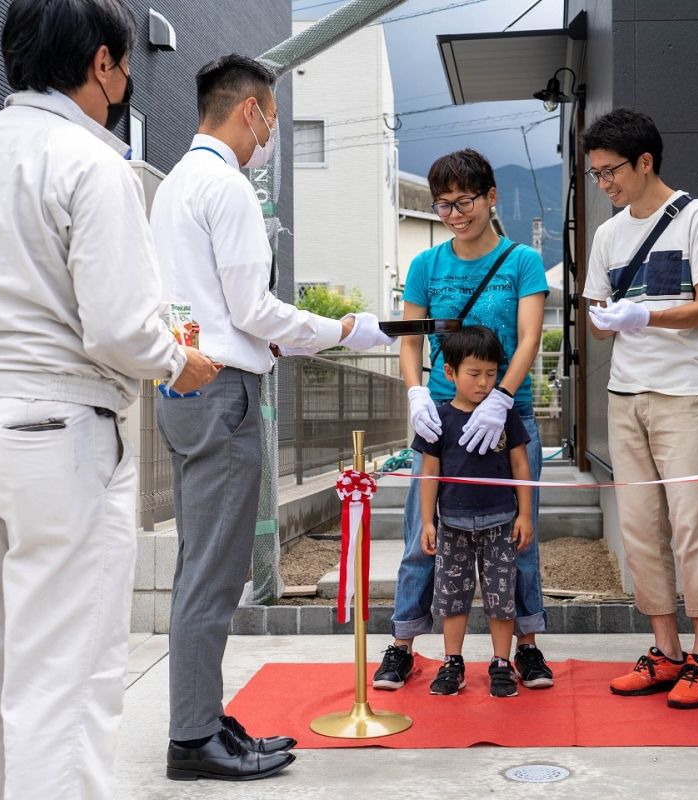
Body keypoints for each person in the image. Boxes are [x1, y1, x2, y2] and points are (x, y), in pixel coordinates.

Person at [0, 0, 220, 797]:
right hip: (55, 431)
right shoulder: (92, 163)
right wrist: (176, 364)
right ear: (103, 65)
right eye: (118, 68)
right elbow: (119, 328)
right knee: (65, 675)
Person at [149, 54, 391, 782]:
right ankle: (193, 738)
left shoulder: (173, 187)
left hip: (186, 390)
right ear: (251, 110)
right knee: (214, 579)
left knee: (201, 566)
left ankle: (202, 718)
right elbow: (256, 312)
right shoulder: (226, 187)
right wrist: (345, 329)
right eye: (274, 118)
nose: (271, 135)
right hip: (224, 395)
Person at [373, 149, 553, 692]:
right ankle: (403, 644)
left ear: (490, 197)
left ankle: (527, 649)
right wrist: (415, 394)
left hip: (509, 418)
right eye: (444, 204)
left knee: (519, 538)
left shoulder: (522, 261)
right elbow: (409, 340)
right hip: (442, 422)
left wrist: (501, 397)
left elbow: (528, 338)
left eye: (465, 201)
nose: (454, 213)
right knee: (421, 536)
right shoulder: (426, 266)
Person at [581, 108, 698, 709]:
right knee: (640, 528)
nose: (604, 184)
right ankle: (666, 652)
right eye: (595, 176)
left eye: (610, 171)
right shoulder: (607, 234)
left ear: (646, 161)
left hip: (686, 392)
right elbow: (597, 322)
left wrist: (645, 314)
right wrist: (609, 318)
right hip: (626, 393)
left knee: (693, 525)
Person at [412, 326, 533, 697]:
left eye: (492, 374)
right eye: (474, 373)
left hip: (500, 523)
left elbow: (520, 466)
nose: (484, 383)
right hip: (452, 524)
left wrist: (525, 515)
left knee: (501, 597)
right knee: (452, 598)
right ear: (450, 372)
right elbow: (428, 473)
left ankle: (500, 662)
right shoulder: (438, 418)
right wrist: (427, 521)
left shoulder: (504, 414)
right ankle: (453, 662)